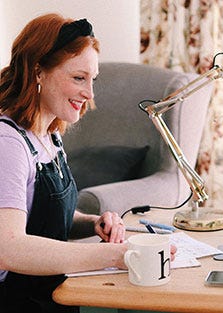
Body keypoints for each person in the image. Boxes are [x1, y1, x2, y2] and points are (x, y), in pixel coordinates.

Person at [0, 13, 176, 313]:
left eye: (92, 80)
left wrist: (92, 223)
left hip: (50, 296)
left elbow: (43, 220)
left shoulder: (48, 136)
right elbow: (9, 248)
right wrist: (117, 256)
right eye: (78, 78)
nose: (90, 94)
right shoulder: (8, 142)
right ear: (38, 72)